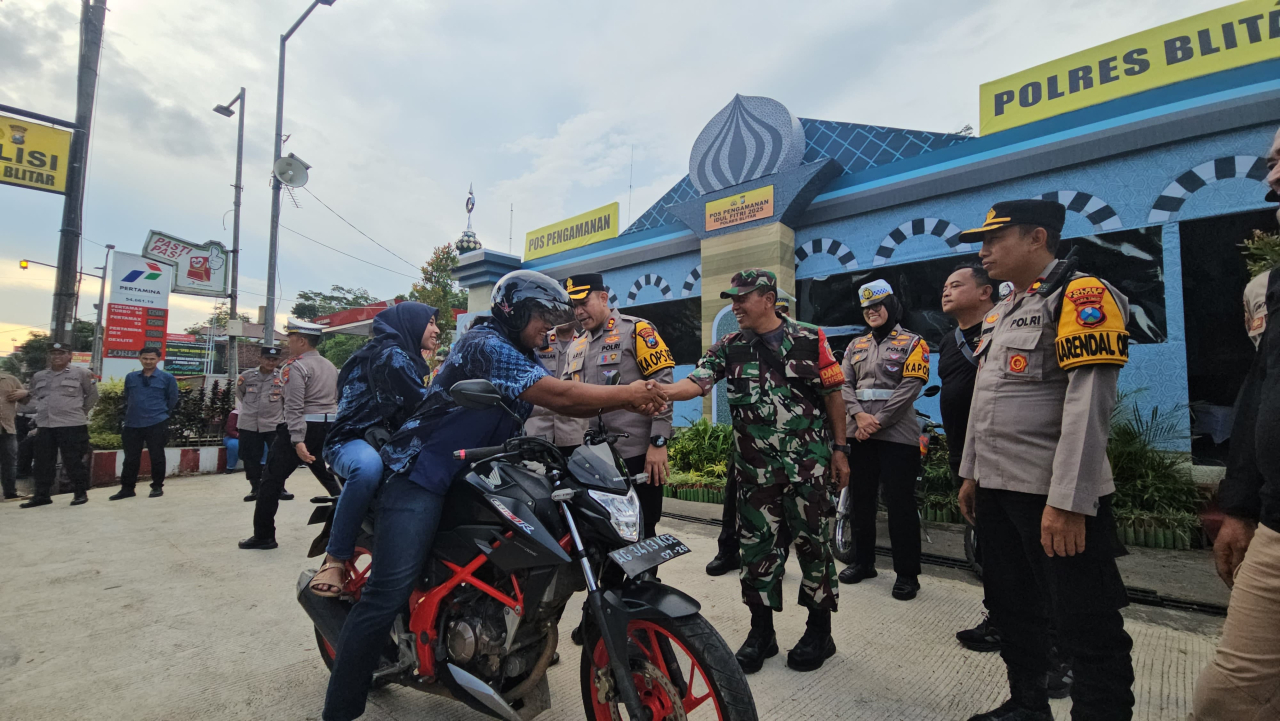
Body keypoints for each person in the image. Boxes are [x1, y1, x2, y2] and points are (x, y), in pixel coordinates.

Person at [320, 269, 667, 721]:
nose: (550, 326)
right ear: (515, 311)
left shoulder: (526, 351)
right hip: (423, 472)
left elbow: (549, 407)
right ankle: (339, 709)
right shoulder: (483, 344)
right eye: (542, 316)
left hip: (476, 471)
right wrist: (628, 394)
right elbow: (559, 396)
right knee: (386, 592)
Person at [957, 199, 1134, 721]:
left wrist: (1070, 501)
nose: (983, 251)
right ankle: (1029, 705)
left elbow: (1089, 402)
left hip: (1053, 497)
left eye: (995, 239)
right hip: (997, 490)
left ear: (1037, 238)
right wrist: (971, 473)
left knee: (1086, 623)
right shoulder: (1006, 308)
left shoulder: (1083, 294)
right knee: (1014, 610)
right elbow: (986, 398)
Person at [657, 268, 849, 675]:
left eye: (742, 298)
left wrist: (840, 449)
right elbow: (698, 381)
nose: (735, 306)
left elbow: (834, 395)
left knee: (814, 548)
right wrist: (660, 392)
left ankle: (820, 633)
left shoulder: (811, 338)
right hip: (755, 473)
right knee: (757, 553)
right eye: (731, 298)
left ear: (767, 298)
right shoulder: (729, 345)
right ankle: (762, 634)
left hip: (807, 468)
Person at [1190, 130, 1280, 721]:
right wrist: (1240, 506)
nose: (1271, 177)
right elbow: (1260, 391)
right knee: (1228, 698)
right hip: (1277, 525)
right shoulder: (1273, 285)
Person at [308, 302, 441, 597]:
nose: (437, 330)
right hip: (353, 441)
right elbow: (424, 406)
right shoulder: (391, 355)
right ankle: (335, 558)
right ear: (411, 324)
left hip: (387, 440)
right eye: (430, 323)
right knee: (368, 469)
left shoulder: (408, 357)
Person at [561, 273, 674, 539]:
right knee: (602, 531)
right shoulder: (575, 346)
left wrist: (658, 444)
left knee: (643, 530)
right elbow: (564, 396)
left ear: (603, 298)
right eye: (573, 306)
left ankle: (645, 582)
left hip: (635, 455)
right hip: (592, 460)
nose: (578, 312)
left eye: (583, 303)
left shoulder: (637, 330)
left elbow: (662, 389)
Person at [837, 279, 929, 601]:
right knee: (860, 501)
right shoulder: (854, 346)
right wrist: (859, 417)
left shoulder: (914, 342)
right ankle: (864, 563)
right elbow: (843, 384)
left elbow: (911, 386)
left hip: (898, 437)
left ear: (891, 306)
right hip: (859, 434)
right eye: (866, 308)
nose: (871, 312)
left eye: (877, 305)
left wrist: (877, 421)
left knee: (900, 504)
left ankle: (907, 575)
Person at [706, 291, 796, 577]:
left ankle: (775, 558)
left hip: (790, 445)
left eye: (784, 312)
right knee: (735, 495)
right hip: (748, 442)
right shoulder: (737, 345)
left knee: (784, 502)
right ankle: (728, 550)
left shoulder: (800, 344)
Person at [940, 263, 1001, 650]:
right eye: (944, 286)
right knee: (988, 543)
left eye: (956, 285)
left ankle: (1037, 634)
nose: (945, 291)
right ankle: (998, 616)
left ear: (984, 293)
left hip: (994, 458)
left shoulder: (1001, 330)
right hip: (961, 455)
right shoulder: (948, 340)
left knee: (1007, 547)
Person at [240, 320, 342, 551]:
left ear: (302, 341)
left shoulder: (295, 366)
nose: (289, 343)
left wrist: (297, 439)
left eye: (291, 339)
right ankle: (350, 526)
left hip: (301, 428)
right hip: (326, 427)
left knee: (270, 482)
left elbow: (294, 406)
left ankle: (264, 535)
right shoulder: (329, 365)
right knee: (330, 480)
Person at [13, 343, 98, 508]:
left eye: (61, 353)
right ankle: (42, 495)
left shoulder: (82, 373)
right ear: (49, 356)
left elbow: (93, 396)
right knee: (42, 461)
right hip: (45, 425)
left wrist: (80, 411)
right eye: (53, 354)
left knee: (73, 460)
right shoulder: (40, 376)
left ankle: (80, 493)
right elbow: (35, 397)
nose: (57, 356)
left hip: (72, 424)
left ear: (69, 355)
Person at [110, 346, 179, 500]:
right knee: (130, 458)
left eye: (152, 359)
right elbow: (128, 397)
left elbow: (172, 400)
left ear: (158, 360)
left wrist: (161, 414)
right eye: (145, 358)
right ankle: (127, 489)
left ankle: (156, 487)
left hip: (157, 422)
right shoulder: (131, 377)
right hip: (132, 423)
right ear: (139, 358)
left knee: (157, 456)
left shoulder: (167, 378)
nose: (148, 361)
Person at [236, 346, 288, 502]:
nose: (270, 362)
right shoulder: (246, 376)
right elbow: (240, 394)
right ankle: (255, 488)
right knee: (250, 458)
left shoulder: (282, 378)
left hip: (273, 424)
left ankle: (279, 488)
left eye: (274, 359)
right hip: (249, 424)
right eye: (267, 359)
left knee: (277, 458)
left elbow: (286, 400)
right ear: (260, 359)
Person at [1, 368, 26, 501]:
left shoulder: (11, 380)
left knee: (10, 462)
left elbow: (25, 401)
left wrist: (25, 393)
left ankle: (10, 493)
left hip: (7, 428)